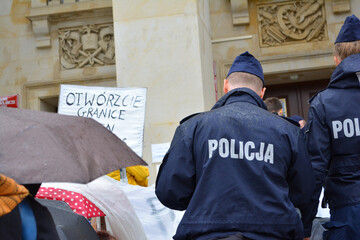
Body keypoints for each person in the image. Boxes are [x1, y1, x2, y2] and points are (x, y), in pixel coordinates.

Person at [155, 51, 315, 240]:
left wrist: (205, 196)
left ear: (225, 86)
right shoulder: (288, 131)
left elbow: (170, 192)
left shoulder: (194, 127)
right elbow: (305, 193)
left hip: (208, 234)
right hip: (273, 233)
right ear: (262, 92)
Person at [305, 14, 360, 239]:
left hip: (348, 213)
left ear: (336, 59)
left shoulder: (324, 103)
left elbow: (315, 169)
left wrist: (305, 224)